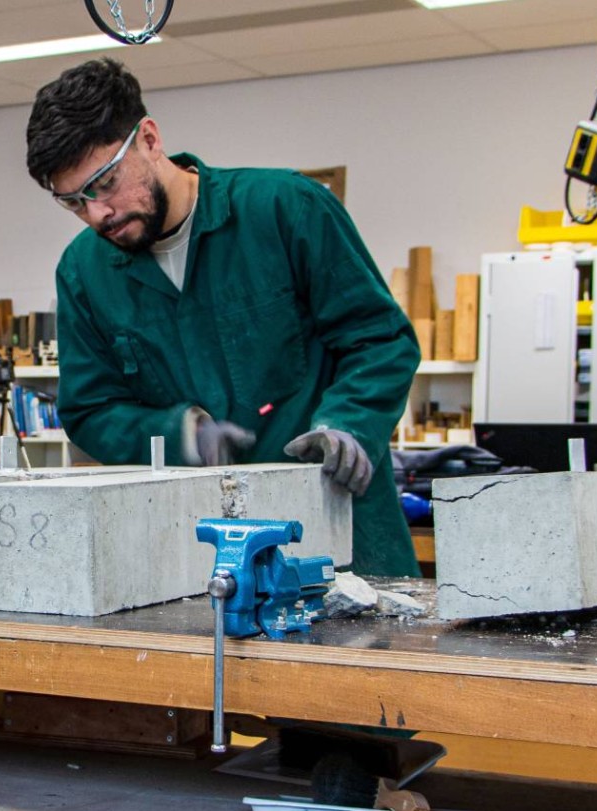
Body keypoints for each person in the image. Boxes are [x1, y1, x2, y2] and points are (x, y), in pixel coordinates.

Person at [26, 59, 420, 577]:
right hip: (200, 549)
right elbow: (91, 409)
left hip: (339, 531)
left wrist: (347, 423)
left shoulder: (285, 209)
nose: (97, 213)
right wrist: (180, 432)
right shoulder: (83, 272)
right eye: (73, 202)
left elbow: (381, 339)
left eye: (104, 182)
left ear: (148, 138)